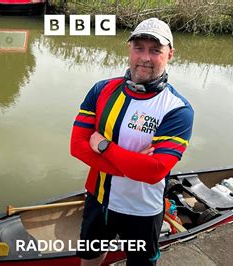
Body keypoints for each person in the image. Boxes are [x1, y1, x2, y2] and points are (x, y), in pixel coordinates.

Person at [70, 17, 194, 266]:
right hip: (99, 199)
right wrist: (132, 166)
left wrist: (104, 146)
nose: (145, 58)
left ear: (170, 54)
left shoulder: (178, 109)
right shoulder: (102, 90)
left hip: (143, 210)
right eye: (139, 48)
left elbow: (154, 171)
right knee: (90, 258)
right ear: (129, 49)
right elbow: (77, 147)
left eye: (155, 50)